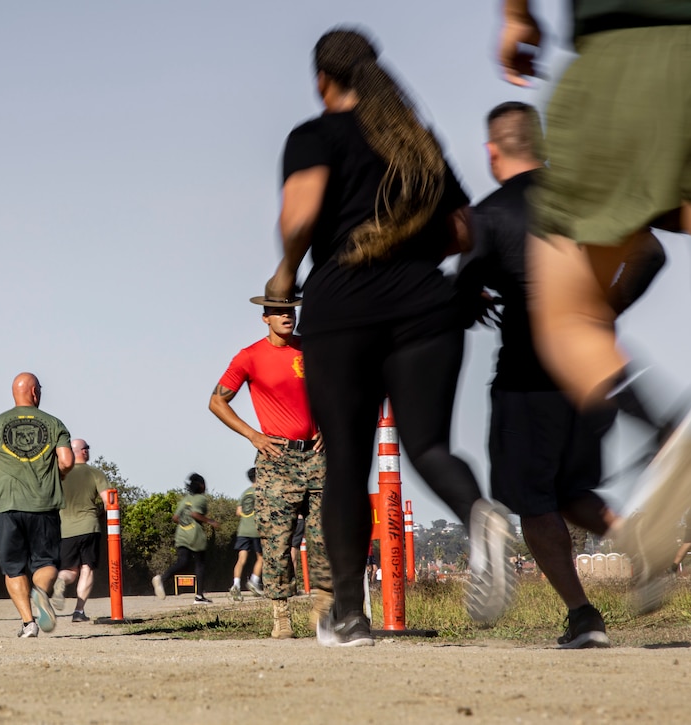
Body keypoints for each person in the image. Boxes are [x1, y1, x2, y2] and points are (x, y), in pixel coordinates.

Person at [265, 27, 515, 646]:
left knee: (345, 462)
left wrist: (284, 272)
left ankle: (348, 614)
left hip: (343, 309)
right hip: (425, 307)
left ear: (323, 80)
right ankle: (477, 514)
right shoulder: (414, 140)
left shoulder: (315, 135)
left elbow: (299, 216)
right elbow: (463, 231)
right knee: (427, 445)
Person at [498, 0, 691, 611]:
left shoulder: (492, 210)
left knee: (568, 312)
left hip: (621, 53)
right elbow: (652, 254)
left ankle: (670, 432)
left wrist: (519, 18)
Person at [457, 102, 667, 647]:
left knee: (534, 500)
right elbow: (650, 252)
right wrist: (606, 309)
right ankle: (639, 545)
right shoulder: (583, 197)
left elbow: (458, 297)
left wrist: (473, 297)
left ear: (492, 150)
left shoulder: (490, 214)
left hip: (528, 378)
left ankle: (583, 616)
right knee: (572, 490)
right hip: (593, 373)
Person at [209, 292, 333, 639]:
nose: (286, 316)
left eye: (290, 310)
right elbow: (217, 401)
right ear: (265, 317)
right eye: (278, 312)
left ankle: (324, 600)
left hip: (318, 455)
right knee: (277, 540)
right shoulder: (249, 356)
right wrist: (253, 435)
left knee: (326, 532)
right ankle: (281, 614)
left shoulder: (311, 347)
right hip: (276, 459)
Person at [0, 372, 73, 638]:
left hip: (6, 505)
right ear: (34, 393)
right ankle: (40, 593)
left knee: (13, 568)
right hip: (43, 504)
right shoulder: (54, 424)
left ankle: (28, 623)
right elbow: (66, 462)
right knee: (46, 562)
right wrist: (57, 474)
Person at [51, 438, 110, 623]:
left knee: (69, 570)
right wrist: (100, 516)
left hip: (65, 529)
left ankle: (60, 583)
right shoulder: (95, 473)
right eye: (88, 448)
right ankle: (78, 611)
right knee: (87, 568)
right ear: (83, 452)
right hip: (88, 526)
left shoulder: (58, 475)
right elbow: (109, 502)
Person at [152, 474, 219, 605]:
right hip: (195, 535)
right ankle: (199, 596)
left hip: (181, 534)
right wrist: (210, 521)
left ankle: (162, 578)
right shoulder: (201, 499)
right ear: (201, 486)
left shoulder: (185, 499)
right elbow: (195, 513)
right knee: (200, 564)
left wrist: (185, 523)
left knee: (183, 562)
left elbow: (175, 518)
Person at [229, 468, 264, 602]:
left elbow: (238, 512)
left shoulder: (245, 493)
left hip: (243, 530)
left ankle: (236, 585)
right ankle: (254, 581)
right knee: (261, 557)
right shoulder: (261, 492)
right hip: (256, 530)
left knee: (241, 559)